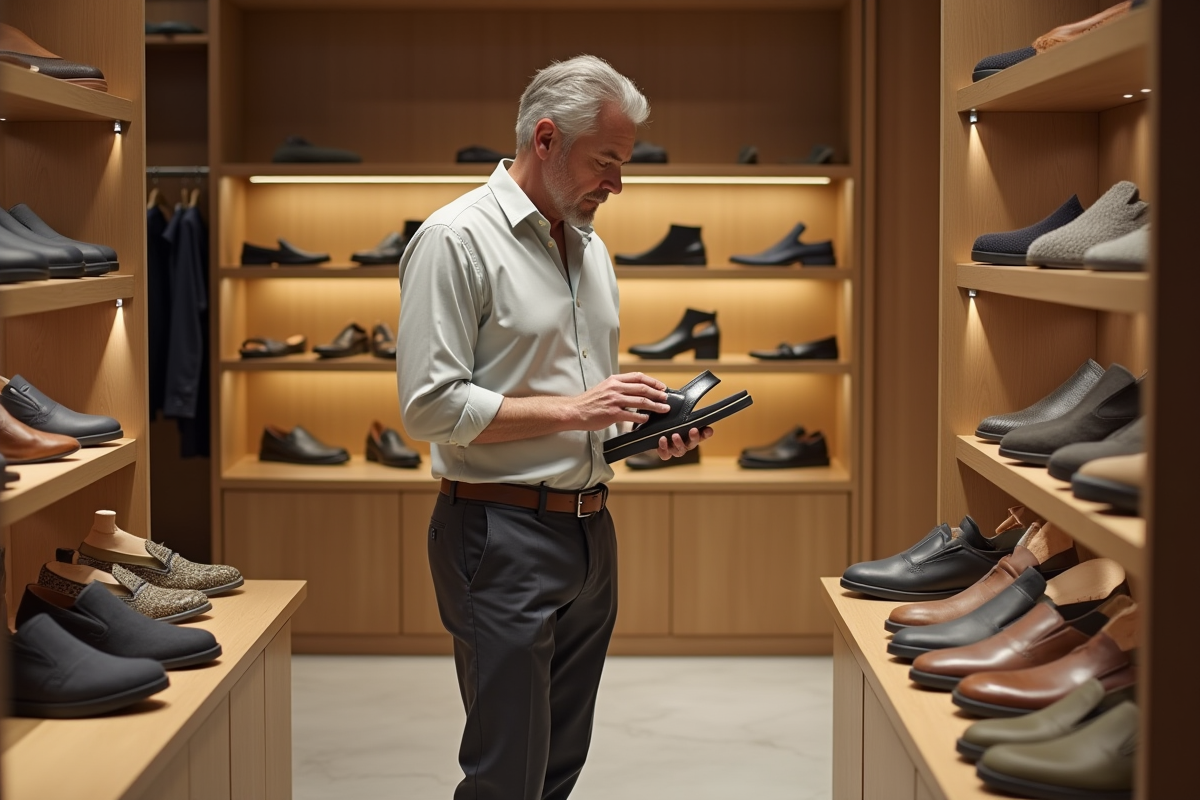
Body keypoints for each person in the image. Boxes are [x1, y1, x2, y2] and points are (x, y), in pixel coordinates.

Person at [397, 54, 711, 800]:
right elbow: (429, 407)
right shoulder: (455, 240)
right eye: (607, 161)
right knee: (507, 774)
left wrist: (641, 428)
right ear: (545, 139)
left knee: (558, 769)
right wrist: (578, 410)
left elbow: (582, 394)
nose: (619, 183)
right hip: (496, 534)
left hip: (590, 532)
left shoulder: (590, 247)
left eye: (624, 163)